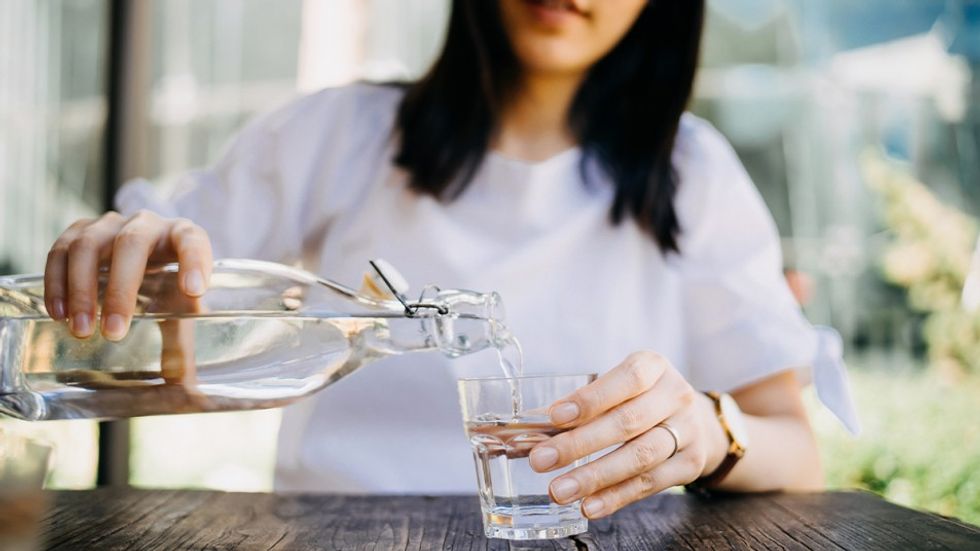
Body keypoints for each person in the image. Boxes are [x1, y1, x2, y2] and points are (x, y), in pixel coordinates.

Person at [42, 0, 857, 517]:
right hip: (332, 537)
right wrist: (125, 255)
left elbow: (796, 446)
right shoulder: (340, 134)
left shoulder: (694, 174)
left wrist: (712, 429)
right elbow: (168, 260)